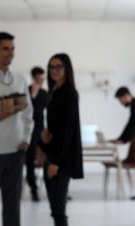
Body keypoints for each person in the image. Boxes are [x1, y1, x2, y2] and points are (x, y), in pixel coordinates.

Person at [41, 53, 83, 226]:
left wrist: (55, 163)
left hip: (60, 159)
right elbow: (56, 126)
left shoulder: (69, 94)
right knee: (55, 209)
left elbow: (66, 131)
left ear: (67, 69)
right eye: (51, 67)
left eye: (59, 67)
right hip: (51, 155)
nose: (54, 70)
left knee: (58, 209)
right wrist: (44, 133)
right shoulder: (54, 92)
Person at [0, 32, 33, 226]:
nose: (10, 53)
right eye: (5, 48)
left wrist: (26, 139)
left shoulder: (19, 79)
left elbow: (29, 113)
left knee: (12, 207)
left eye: (12, 49)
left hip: (15, 151)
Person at [111, 87, 135, 200]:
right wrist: (121, 139)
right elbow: (130, 124)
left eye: (120, 100)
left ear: (126, 96)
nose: (120, 103)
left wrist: (123, 140)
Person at [25, 66, 47, 202]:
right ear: (34, 77)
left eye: (42, 78)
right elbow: (26, 110)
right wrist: (32, 95)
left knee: (49, 157)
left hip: (41, 129)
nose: (42, 80)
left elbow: (42, 109)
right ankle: (33, 189)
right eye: (39, 78)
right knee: (29, 160)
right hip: (28, 131)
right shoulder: (26, 91)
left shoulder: (44, 93)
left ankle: (56, 190)